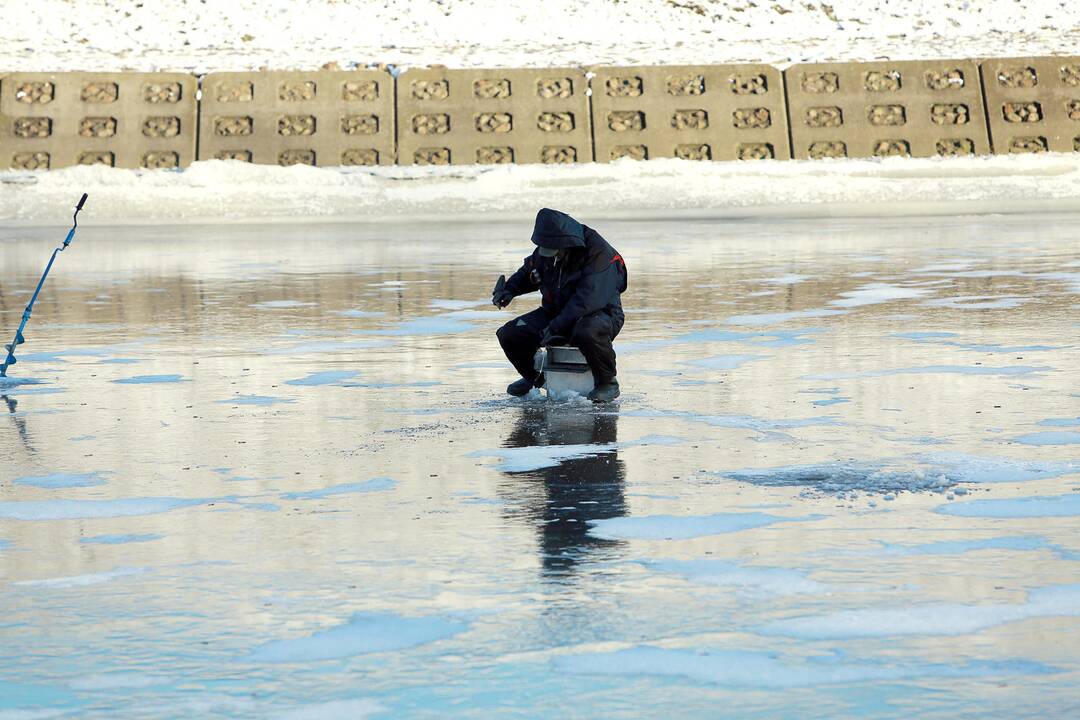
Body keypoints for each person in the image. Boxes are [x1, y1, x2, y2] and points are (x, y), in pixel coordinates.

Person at [492, 208, 627, 403]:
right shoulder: (550, 245)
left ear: (566, 243)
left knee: (586, 331)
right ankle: (536, 379)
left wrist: (555, 327)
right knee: (509, 334)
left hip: (599, 314)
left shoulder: (600, 254)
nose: (547, 254)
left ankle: (607, 382)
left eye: (552, 251)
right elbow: (531, 271)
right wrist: (509, 290)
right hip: (556, 312)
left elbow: (587, 301)